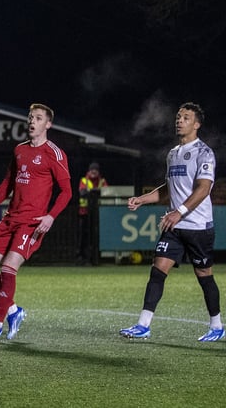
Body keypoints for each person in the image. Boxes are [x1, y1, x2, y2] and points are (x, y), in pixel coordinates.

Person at [120, 102, 223, 342]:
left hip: (198, 228)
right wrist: (142, 200)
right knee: (157, 271)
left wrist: (180, 212)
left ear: (196, 125)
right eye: (178, 116)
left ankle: (217, 325)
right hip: (174, 228)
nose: (179, 120)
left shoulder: (204, 152)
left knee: (204, 275)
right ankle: (143, 325)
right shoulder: (173, 153)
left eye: (186, 117)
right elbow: (168, 189)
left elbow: (204, 188)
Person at [0, 103, 72, 342]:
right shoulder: (19, 150)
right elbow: (7, 185)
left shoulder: (54, 153)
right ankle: (14, 311)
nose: (32, 121)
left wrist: (50, 216)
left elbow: (66, 191)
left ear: (48, 124)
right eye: (30, 117)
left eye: (38, 118)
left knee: (8, 268)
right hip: (10, 219)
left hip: (32, 223)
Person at [76, 161, 108, 265]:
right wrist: (95, 191)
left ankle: (95, 258)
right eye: (92, 170)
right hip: (84, 213)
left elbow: (107, 193)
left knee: (96, 237)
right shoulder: (84, 180)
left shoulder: (102, 181)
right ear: (89, 171)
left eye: (96, 170)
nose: (94, 172)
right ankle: (82, 258)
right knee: (83, 237)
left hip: (97, 214)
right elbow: (82, 192)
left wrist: (91, 191)